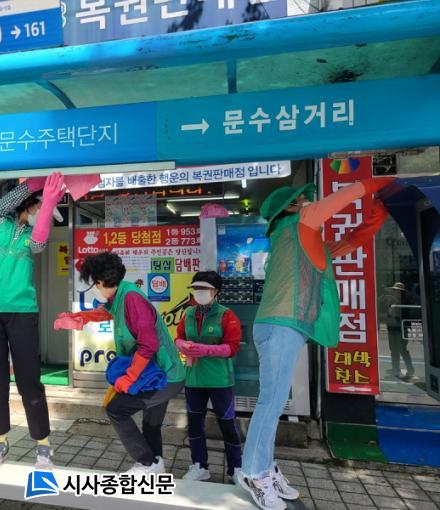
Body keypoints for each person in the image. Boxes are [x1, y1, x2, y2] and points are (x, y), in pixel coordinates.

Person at [234, 177, 394, 510]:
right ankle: (252, 472)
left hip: (285, 326)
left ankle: (265, 468)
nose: (309, 201)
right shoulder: (299, 224)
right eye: (302, 199)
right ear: (290, 208)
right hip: (280, 325)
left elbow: (353, 240)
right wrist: (388, 178)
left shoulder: (305, 240)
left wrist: (379, 212)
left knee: (274, 402)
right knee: (271, 402)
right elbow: (347, 194)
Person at [56, 252, 186, 475]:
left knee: (116, 409)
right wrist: (80, 318)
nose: (93, 288)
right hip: (156, 374)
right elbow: (105, 312)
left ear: (99, 282)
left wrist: (129, 377)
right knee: (151, 424)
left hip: (166, 376)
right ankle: (155, 467)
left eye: (92, 283)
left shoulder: (132, 299)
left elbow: (148, 345)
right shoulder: (121, 294)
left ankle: (147, 463)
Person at [0, 173, 66, 471]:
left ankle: (43, 444)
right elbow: (4, 203)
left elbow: (38, 242)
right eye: (42, 208)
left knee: (29, 381)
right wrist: (36, 183)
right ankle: (0, 441)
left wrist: (49, 203)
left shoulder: (34, 236)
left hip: (21, 312)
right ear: (30, 204)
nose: (44, 216)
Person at [174, 271, 243, 482]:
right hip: (194, 378)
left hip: (219, 379)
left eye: (204, 289)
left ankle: (236, 469)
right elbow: (178, 337)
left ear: (216, 291)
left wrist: (206, 350)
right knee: (195, 423)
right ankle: (199, 466)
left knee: (227, 423)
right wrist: (182, 345)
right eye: (196, 288)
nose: (199, 292)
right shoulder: (188, 313)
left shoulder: (227, 315)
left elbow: (232, 347)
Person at [384, 282, 415, 380]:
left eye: (396, 290)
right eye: (394, 290)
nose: (394, 292)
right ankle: (395, 368)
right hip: (392, 328)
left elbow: (406, 314)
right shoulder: (393, 301)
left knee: (402, 349)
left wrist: (395, 317)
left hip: (401, 328)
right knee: (393, 350)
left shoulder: (405, 301)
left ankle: (410, 369)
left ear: (401, 292)